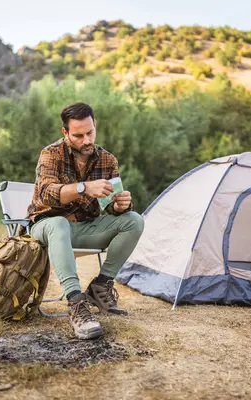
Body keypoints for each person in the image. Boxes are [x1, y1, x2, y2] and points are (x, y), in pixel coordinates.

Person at [27, 102, 144, 340]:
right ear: (65, 133)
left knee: (134, 220)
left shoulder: (107, 160)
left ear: (95, 126)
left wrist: (120, 205)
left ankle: (100, 286)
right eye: (78, 135)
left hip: (85, 227)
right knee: (59, 222)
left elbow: (108, 207)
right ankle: (76, 303)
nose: (86, 140)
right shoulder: (50, 154)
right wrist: (83, 188)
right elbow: (46, 194)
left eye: (90, 133)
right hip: (47, 226)